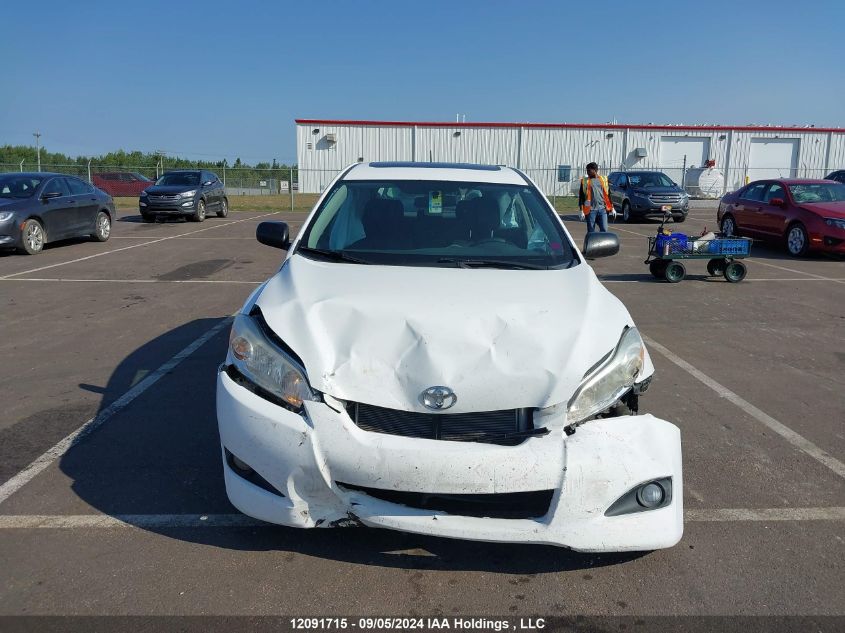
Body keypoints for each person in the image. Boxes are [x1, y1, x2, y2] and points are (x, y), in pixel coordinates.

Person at [578, 162, 616, 232]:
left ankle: (602, 242)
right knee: (591, 231)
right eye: (587, 170)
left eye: (589, 170)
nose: (587, 172)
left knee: (604, 229)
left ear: (595, 170)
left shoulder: (604, 179)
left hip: (603, 209)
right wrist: (581, 210)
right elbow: (581, 196)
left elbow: (608, 194)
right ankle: (591, 242)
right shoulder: (585, 181)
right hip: (590, 210)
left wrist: (612, 208)